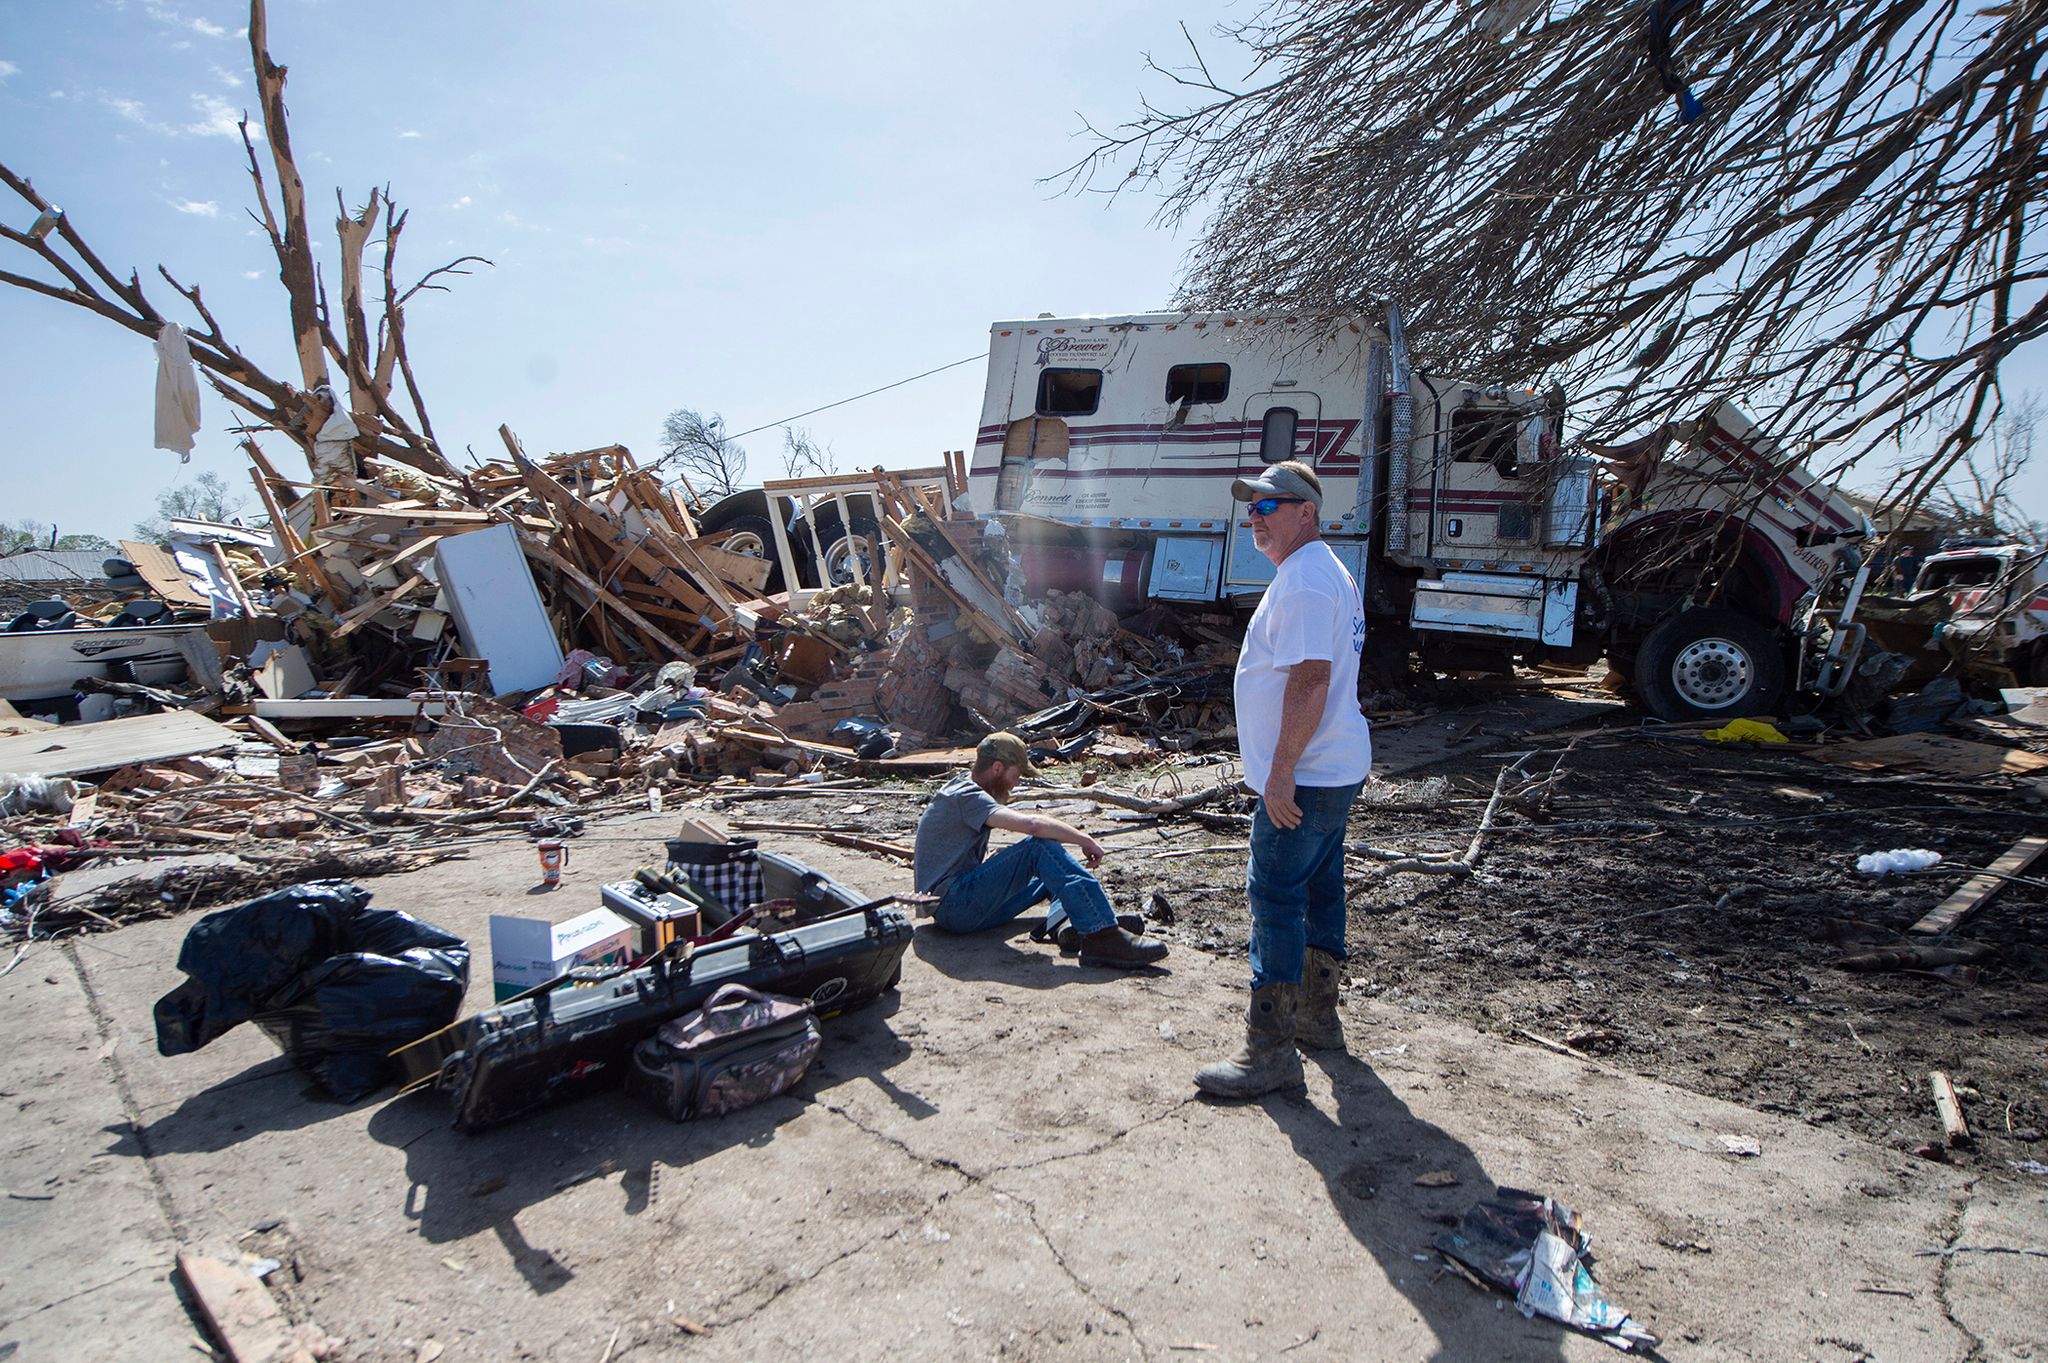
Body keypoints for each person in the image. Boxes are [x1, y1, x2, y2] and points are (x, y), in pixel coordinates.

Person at [1196, 460, 1372, 1098]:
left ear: (1307, 512)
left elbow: (1310, 680)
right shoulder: (1327, 571)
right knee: (1322, 889)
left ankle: (1269, 1053)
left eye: (1269, 506)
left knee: (1275, 898)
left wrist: (1280, 773)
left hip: (1308, 774)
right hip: (1335, 765)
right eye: (1251, 507)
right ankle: (1317, 1019)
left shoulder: (1302, 581)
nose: (1255, 517)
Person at [914, 731, 1168, 968]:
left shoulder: (964, 787)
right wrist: (1084, 839)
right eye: (1017, 775)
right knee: (1040, 848)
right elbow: (1033, 826)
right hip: (954, 907)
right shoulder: (966, 795)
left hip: (958, 909)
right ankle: (1101, 935)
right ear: (997, 768)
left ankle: (1067, 925)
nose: (1016, 784)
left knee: (1054, 867)